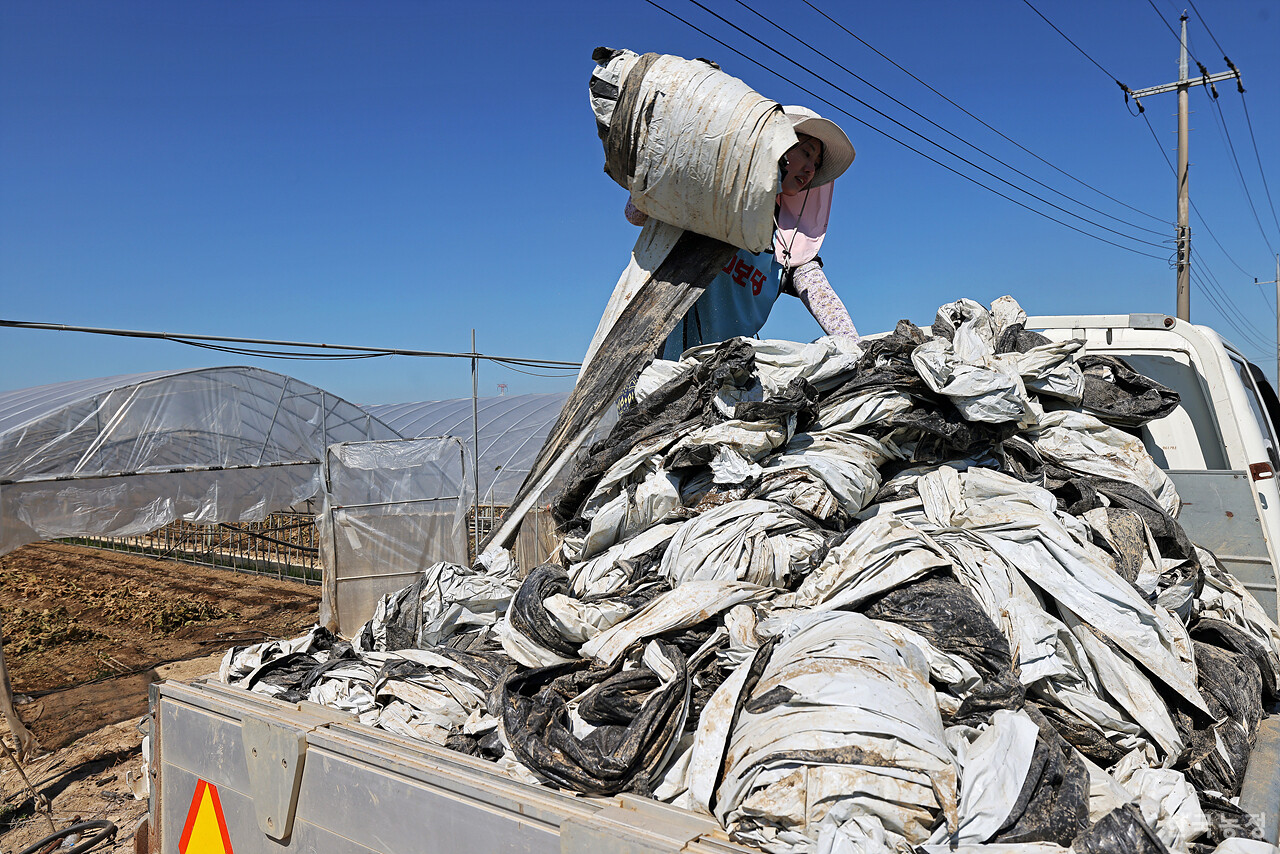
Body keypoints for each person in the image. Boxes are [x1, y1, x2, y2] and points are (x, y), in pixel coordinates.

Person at [624, 105, 859, 362]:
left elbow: (823, 300)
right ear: (778, 143)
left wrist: (856, 348)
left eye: (816, 164)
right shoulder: (717, 195)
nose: (811, 169)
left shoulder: (791, 247)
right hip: (664, 360)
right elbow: (635, 213)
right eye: (806, 153)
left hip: (729, 372)